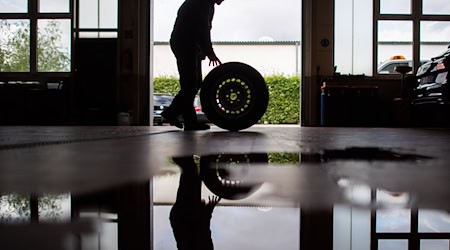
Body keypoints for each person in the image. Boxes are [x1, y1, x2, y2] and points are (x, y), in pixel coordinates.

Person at [161, 0, 225, 131]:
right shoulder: (202, 4)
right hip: (185, 44)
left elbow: (202, 30)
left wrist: (203, 51)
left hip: (189, 44)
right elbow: (202, 30)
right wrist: (210, 52)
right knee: (190, 84)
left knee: (193, 83)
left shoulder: (206, 5)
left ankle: (174, 113)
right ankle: (188, 121)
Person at [170, 156, 221, 250]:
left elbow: (203, 232)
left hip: (186, 216)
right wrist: (207, 212)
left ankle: (178, 149)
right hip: (184, 217)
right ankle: (181, 150)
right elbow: (204, 232)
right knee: (191, 174)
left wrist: (208, 211)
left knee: (191, 174)